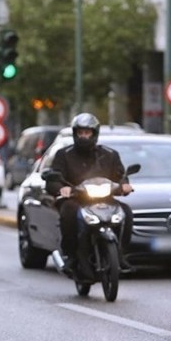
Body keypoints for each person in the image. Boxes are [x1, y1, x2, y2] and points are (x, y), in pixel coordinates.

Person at [45, 113, 134, 282]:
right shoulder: (64, 155)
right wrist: (61, 188)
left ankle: (121, 254)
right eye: (81, 133)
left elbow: (120, 176)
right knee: (68, 213)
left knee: (127, 212)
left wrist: (124, 185)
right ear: (75, 134)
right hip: (77, 199)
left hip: (104, 198)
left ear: (94, 133)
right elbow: (53, 179)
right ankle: (71, 255)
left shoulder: (109, 154)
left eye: (87, 133)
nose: (84, 136)